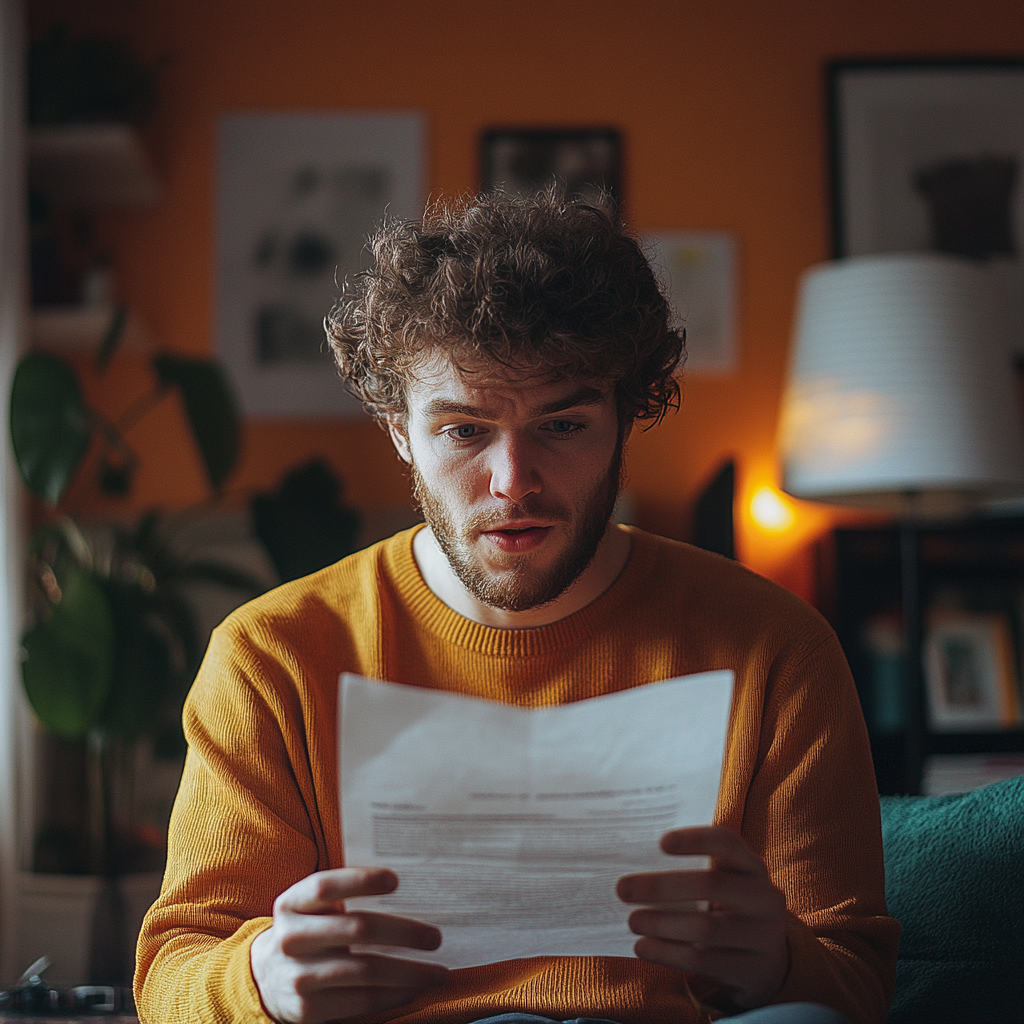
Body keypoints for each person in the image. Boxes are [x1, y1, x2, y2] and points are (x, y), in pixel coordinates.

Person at [134, 190, 899, 1024]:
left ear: (626, 415)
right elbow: (171, 974)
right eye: (464, 431)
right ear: (399, 430)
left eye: (562, 426)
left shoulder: (775, 648)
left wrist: (779, 962)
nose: (514, 482)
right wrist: (264, 982)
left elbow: (856, 982)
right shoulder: (273, 656)